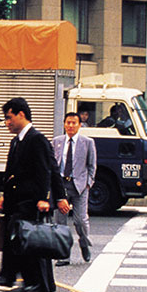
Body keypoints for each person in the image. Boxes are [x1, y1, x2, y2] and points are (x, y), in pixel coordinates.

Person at [0, 98, 69, 292]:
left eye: (9, 117)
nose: (7, 123)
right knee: (21, 240)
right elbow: (11, 172)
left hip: (31, 200)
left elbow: (46, 171)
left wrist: (46, 198)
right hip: (17, 199)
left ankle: (36, 286)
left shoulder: (36, 139)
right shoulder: (18, 140)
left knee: (29, 242)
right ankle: (22, 278)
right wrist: (5, 196)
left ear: (21, 114)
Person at [53, 112, 97, 266]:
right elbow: (53, 165)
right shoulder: (57, 141)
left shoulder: (87, 142)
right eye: (68, 123)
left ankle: (84, 243)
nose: (71, 126)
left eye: (74, 123)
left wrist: (88, 183)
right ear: (64, 124)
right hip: (61, 186)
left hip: (79, 186)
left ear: (79, 125)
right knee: (60, 222)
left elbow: (92, 165)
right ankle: (64, 255)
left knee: (80, 220)